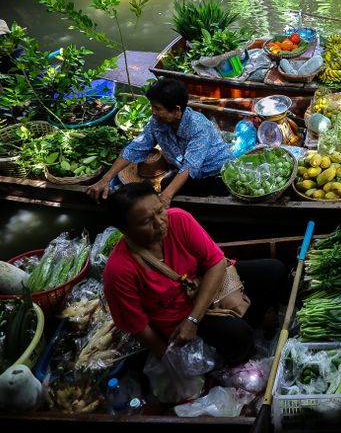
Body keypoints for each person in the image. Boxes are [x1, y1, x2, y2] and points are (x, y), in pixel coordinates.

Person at [102, 183, 288, 364]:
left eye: (159, 211)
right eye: (145, 221)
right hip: (178, 318)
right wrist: (171, 362)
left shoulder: (179, 219)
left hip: (205, 288)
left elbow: (215, 263)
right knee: (238, 334)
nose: (160, 223)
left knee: (274, 271)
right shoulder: (119, 271)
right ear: (124, 229)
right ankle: (238, 361)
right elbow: (139, 327)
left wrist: (194, 319)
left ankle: (251, 320)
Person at [87, 78, 233, 206]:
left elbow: (191, 166)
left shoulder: (198, 127)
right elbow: (135, 148)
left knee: (182, 193)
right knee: (165, 185)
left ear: (176, 110)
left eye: (157, 108)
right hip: (185, 169)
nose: (153, 112)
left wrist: (165, 197)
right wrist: (105, 179)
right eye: (152, 106)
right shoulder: (156, 123)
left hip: (215, 172)